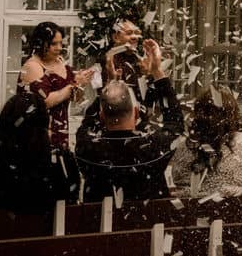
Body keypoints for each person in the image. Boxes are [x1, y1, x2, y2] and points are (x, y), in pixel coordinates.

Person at [75, 39, 184, 202]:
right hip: (148, 223)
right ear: (135, 112)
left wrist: (110, 84)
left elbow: (88, 122)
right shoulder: (153, 147)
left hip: (101, 224)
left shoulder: (88, 148)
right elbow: (175, 122)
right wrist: (157, 71)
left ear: (102, 116)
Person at [0, 92, 80, 213]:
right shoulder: (61, 164)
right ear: (46, 125)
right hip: (52, 229)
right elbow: (72, 205)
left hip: (2, 229)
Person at [171, 85, 242, 196]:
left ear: (199, 114)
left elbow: (178, 184)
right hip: (239, 210)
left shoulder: (185, 146)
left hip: (192, 210)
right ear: (233, 114)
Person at [18, 21, 95, 150]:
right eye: (54, 44)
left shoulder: (60, 62)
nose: (59, 48)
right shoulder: (32, 66)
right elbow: (43, 102)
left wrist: (81, 83)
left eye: (61, 43)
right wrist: (74, 84)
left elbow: (75, 98)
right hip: (38, 132)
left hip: (60, 128)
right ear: (40, 43)